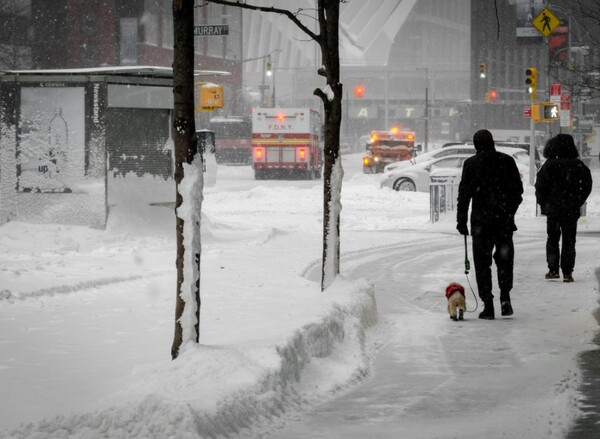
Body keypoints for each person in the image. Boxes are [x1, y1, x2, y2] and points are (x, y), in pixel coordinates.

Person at [456, 129, 524, 320]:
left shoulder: (470, 164)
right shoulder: (507, 161)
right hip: (503, 221)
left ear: (476, 145)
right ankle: (505, 298)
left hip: (481, 223)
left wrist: (461, 220)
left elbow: (464, 195)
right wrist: (509, 212)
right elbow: (517, 192)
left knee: (482, 264)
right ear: (492, 142)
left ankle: (488, 305)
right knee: (505, 260)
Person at [535, 134, 592, 283]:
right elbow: (586, 185)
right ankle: (567, 272)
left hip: (553, 209)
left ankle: (553, 269)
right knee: (569, 240)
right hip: (570, 209)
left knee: (552, 238)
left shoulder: (549, 165)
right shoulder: (578, 165)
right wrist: (578, 201)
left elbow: (540, 186)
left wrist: (544, 203)